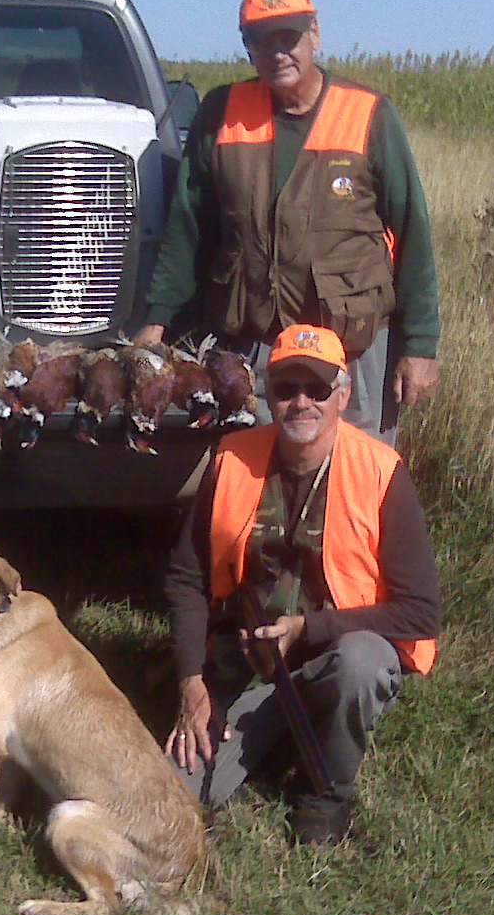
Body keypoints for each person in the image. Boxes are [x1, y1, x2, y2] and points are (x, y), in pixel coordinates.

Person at [163, 324, 440, 844]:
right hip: (245, 661)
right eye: (287, 389)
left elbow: (421, 613)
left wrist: (310, 628)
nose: (301, 403)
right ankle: (272, 733)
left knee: (360, 665)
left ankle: (326, 798)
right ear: (269, 394)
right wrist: (191, 684)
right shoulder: (230, 459)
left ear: (343, 395)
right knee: (173, 796)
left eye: (317, 389)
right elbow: (187, 578)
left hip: (333, 657)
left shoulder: (382, 472)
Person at [134, 0, 441, 445]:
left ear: (314, 35)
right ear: (247, 47)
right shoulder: (221, 112)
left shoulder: (369, 114)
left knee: (353, 479)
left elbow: (412, 234)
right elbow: (188, 230)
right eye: (262, 40)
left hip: (351, 350)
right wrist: (158, 320)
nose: (278, 52)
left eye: (289, 37)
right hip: (253, 352)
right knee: (256, 481)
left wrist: (419, 347)